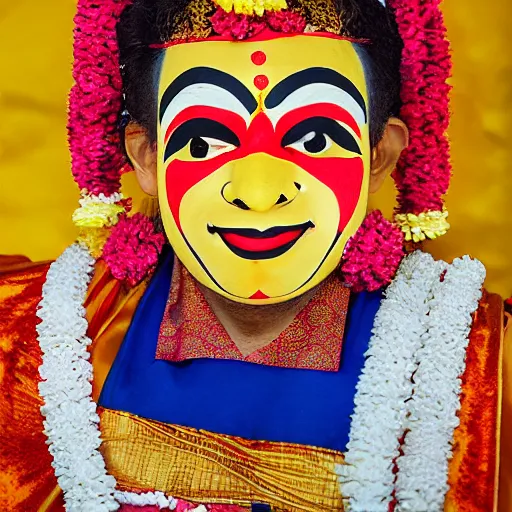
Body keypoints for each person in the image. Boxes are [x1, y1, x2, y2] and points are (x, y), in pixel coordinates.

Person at [1, 0, 508, 510]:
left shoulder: (488, 368)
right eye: (202, 141)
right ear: (146, 158)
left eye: (314, 138)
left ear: (380, 157)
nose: (258, 191)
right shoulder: (29, 334)